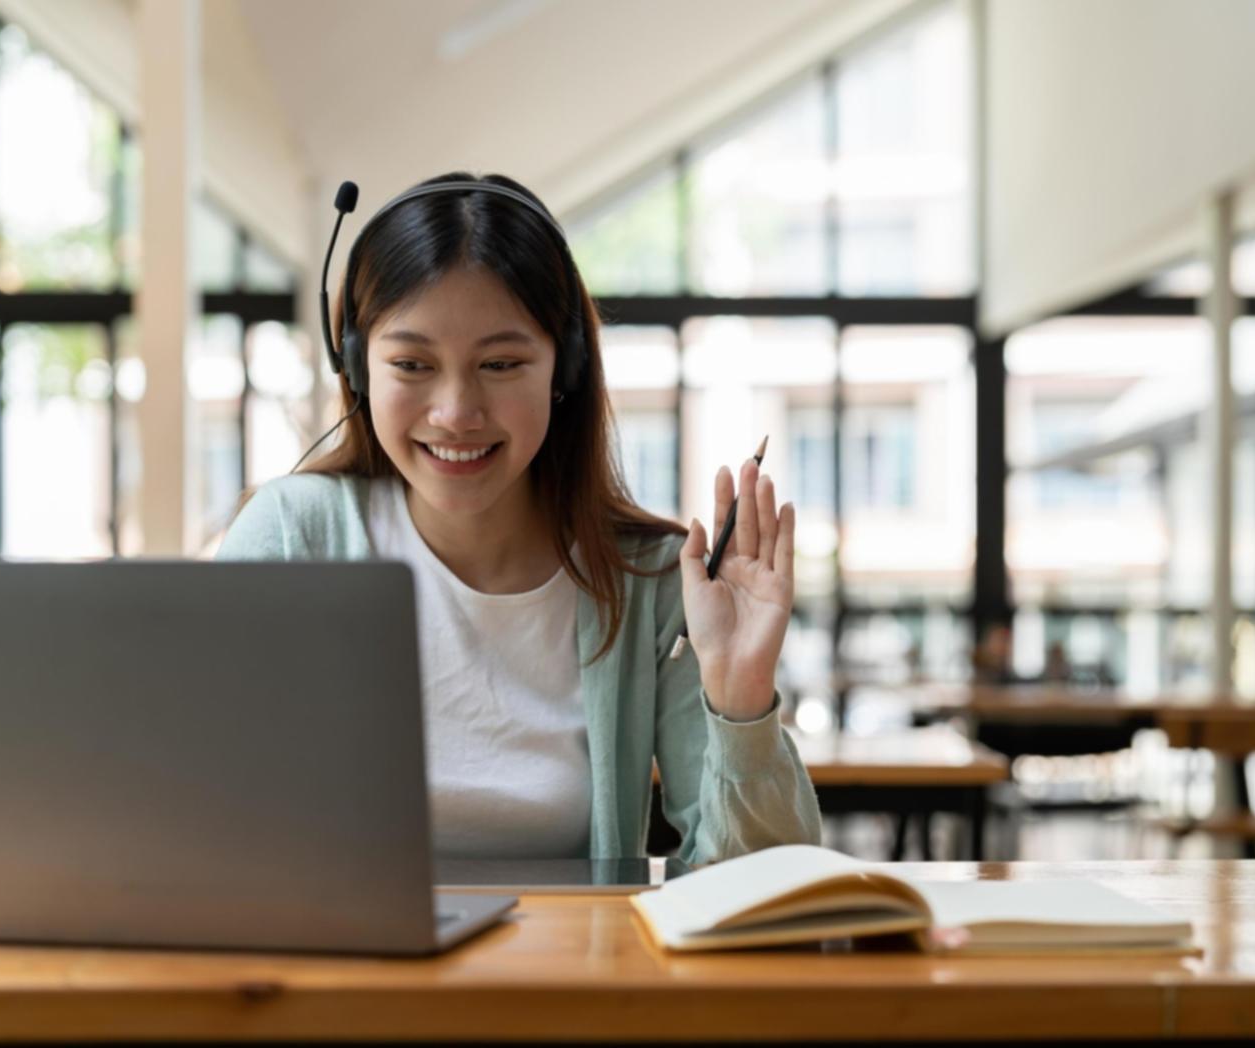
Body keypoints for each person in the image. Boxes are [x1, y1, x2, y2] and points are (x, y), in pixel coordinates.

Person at [218, 172, 820, 864]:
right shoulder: (294, 537)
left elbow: (763, 887)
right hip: (343, 969)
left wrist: (741, 699)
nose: (455, 411)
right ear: (354, 365)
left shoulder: (648, 579)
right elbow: (200, 816)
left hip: (565, 971)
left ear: (562, 370)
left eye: (501, 363)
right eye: (411, 363)